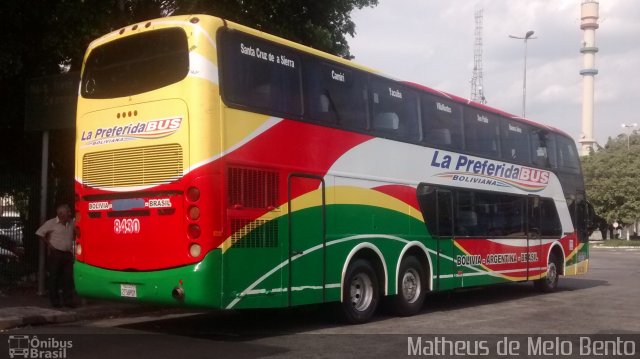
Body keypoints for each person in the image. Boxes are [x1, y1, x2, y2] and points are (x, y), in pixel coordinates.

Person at [36, 204, 75, 308]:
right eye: (68, 212)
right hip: (56, 253)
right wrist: (49, 244)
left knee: (68, 278)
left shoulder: (71, 222)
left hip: (68, 253)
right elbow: (40, 233)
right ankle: (55, 301)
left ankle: (68, 301)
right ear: (61, 214)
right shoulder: (51, 223)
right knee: (54, 278)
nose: (70, 214)